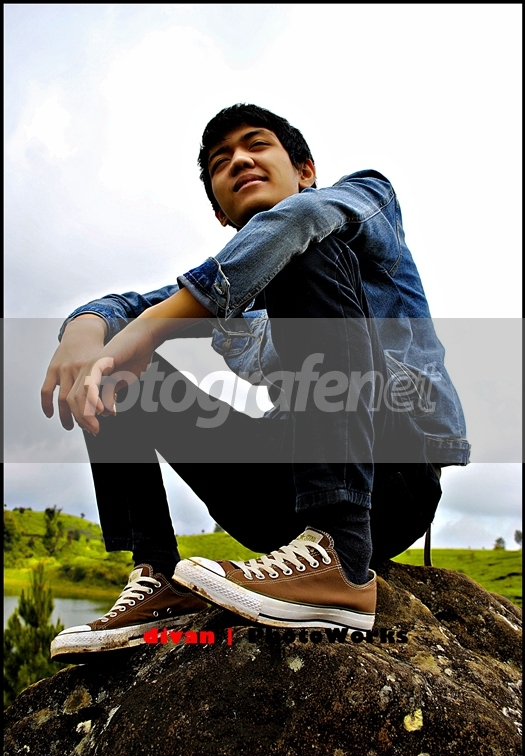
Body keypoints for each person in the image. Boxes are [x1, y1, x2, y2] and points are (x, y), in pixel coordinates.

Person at [42, 104, 470, 660]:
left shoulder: (367, 198)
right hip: (274, 503)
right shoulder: (230, 288)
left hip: (392, 481)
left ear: (306, 170)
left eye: (257, 144)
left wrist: (150, 328)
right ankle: (159, 577)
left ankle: (341, 554)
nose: (239, 160)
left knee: (303, 242)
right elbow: (121, 307)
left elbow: (300, 221)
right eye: (221, 161)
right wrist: (85, 330)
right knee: (119, 361)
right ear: (221, 212)